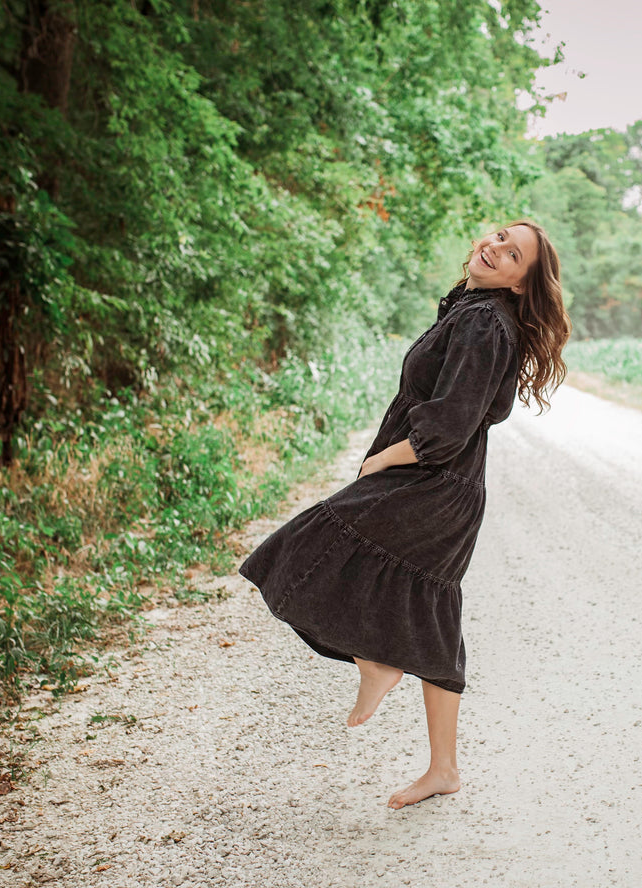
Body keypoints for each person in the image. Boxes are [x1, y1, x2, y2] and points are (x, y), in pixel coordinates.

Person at [239, 220, 570, 810]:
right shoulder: (471, 309)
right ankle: (443, 767)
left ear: (521, 283)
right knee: (432, 613)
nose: (494, 248)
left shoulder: (483, 322)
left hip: (432, 482)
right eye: (498, 236)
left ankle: (376, 660)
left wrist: (381, 462)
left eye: (512, 253)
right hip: (450, 487)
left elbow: (449, 422)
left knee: (305, 545)